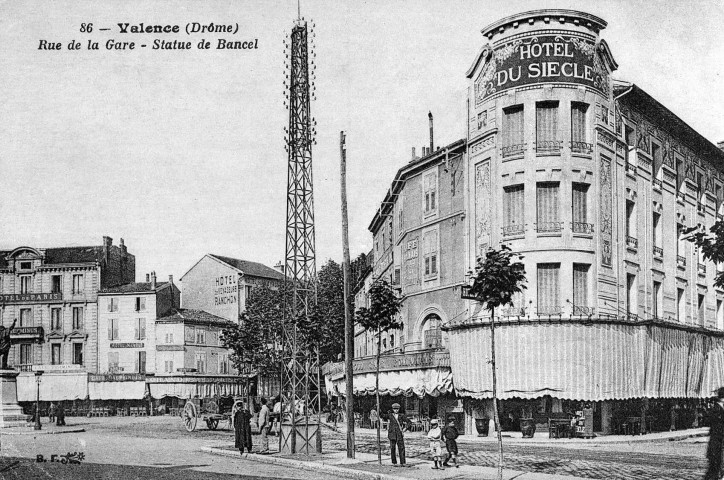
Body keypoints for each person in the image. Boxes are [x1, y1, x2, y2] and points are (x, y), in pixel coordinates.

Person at [706, 387, 724, 479]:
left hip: (720, 442)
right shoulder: (716, 408)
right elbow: (716, 426)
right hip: (717, 442)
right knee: (714, 468)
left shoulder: (719, 407)